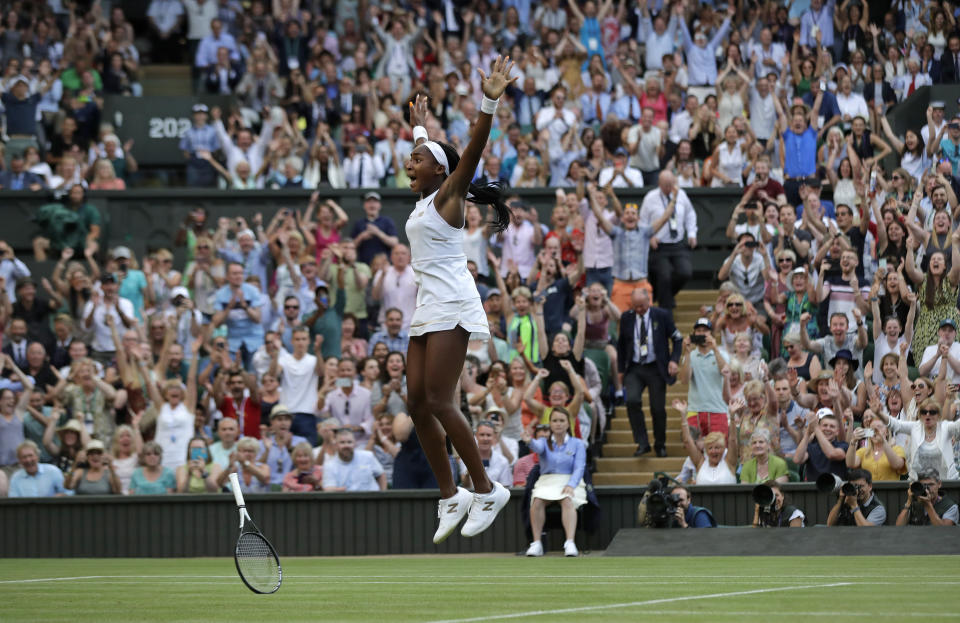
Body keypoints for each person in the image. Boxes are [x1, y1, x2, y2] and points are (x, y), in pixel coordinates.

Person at [402, 59, 516, 543]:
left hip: (452, 302)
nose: (409, 161)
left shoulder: (450, 195)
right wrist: (421, 126)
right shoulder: (426, 199)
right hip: (428, 304)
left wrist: (488, 101)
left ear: (441, 171)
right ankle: (452, 496)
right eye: (410, 156)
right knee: (415, 403)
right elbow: (434, 154)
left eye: (417, 158)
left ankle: (487, 489)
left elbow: (469, 150)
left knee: (438, 399)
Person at [617, 288, 682, 457]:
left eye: (642, 306)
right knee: (631, 401)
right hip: (635, 367)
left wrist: (674, 360)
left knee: (657, 408)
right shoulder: (627, 318)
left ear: (649, 301)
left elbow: (677, 338)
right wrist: (620, 370)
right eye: (635, 306)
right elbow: (621, 345)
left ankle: (660, 444)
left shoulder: (662, 315)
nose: (638, 310)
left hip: (656, 367)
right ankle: (642, 442)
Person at [524, 408, 587, 557]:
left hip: (570, 479)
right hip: (547, 480)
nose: (558, 424)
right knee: (537, 501)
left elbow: (580, 467)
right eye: (555, 421)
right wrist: (529, 441)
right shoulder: (543, 442)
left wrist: (571, 484)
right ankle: (536, 543)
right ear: (550, 424)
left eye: (561, 421)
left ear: (568, 424)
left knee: (567, 500)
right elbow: (537, 447)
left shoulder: (578, 443)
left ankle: (570, 543)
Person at [639, 171, 696, 312]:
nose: (669, 188)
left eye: (671, 184)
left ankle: (665, 297)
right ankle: (666, 310)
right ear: (659, 184)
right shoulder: (650, 198)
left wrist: (692, 233)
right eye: (666, 185)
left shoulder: (681, 194)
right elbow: (643, 221)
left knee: (685, 272)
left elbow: (690, 214)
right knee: (664, 276)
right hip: (659, 245)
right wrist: (650, 236)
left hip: (677, 242)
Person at [875, 399, 960, 480]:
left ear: (938, 415)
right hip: (918, 485)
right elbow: (894, 424)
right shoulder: (915, 427)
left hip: (946, 483)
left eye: (932, 412)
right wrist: (878, 413)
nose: (928, 415)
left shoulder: (946, 427)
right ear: (920, 414)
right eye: (924, 412)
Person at [678, 318, 728, 436]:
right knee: (694, 448)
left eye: (705, 330)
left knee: (718, 449)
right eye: (698, 331)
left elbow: (725, 372)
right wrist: (686, 353)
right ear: (694, 334)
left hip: (718, 409)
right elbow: (684, 380)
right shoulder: (690, 356)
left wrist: (715, 349)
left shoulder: (722, 354)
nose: (701, 333)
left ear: (711, 333)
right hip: (695, 410)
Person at [675, 399, 738, 485]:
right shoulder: (700, 463)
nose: (713, 451)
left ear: (723, 449)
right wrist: (683, 415)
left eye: (717, 448)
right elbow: (687, 442)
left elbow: (733, 440)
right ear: (706, 450)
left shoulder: (729, 462)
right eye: (710, 448)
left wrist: (732, 417)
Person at [321, 428, 386, 492]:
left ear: (355, 444)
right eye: (342, 442)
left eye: (349, 442)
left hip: (371, 499)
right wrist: (344, 490)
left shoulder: (368, 456)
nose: (346, 446)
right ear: (336, 445)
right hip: (346, 500)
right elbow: (329, 489)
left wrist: (383, 495)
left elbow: (381, 474)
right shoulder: (329, 465)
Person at [794, 408, 849, 482]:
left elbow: (831, 454)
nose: (828, 429)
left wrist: (816, 428)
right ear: (820, 427)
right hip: (813, 490)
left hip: (835, 490)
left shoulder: (843, 445)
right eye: (825, 425)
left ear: (837, 432)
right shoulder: (811, 447)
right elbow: (797, 460)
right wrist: (807, 433)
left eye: (832, 426)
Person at [459, 420, 512, 489]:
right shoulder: (465, 458)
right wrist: (468, 474)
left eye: (488, 435)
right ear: (476, 436)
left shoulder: (503, 461)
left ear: (494, 437)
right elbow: (466, 486)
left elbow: (506, 487)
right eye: (482, 435)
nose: (485, 438)